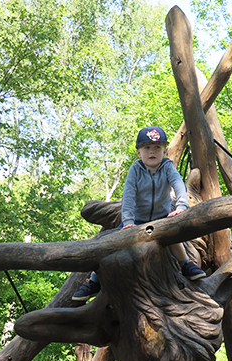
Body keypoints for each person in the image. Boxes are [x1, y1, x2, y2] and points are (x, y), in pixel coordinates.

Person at [72, 126, 206, 302]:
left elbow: (179, 185)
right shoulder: (135, 170)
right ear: (139, 152)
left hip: (161, 217)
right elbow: (128, 196)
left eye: (157, 147)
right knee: (110, 243)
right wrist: (127, 220)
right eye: (147, 148)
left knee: (173, 238)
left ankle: (186, 264)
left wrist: (181, 206)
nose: (152, 151)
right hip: (136, 220)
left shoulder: (167, 167)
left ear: (165, 151)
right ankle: (93, 282)